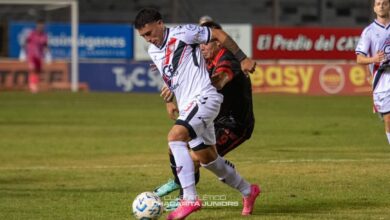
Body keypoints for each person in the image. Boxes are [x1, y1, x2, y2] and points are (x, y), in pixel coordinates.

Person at [134, 8, 260, 220]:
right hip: (189, 106)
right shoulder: (153, 51)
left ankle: (189, 199)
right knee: (209, 158)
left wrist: (243, 59)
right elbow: (170, 76)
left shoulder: (183, 33)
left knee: (175, 138)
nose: (148, 39)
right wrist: (169, 102)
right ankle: (249, 190)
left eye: (149, 33)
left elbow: (218, 34)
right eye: (143, 37)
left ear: (159, 23)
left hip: (205, 99)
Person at [356, 0, 390, 144]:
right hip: (382, 80)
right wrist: (374, 59)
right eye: (378, 3)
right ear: (374, 8)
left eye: (385, 3)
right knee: (389, 119)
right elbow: (359, 58)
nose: (381, 6)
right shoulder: (369, 31)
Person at [24, 19, 49, 93]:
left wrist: (48, 54)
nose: (41, 27)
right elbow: (26, 42)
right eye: (39, 26)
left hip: (39, 56)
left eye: (42, 26)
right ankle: (32, 86)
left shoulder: (44, 36)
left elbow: (45, 45)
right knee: (33, 70)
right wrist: (24, 52)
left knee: (38, 71)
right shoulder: (32, 34)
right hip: (32, 55)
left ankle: (34, 85)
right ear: (37, 26)